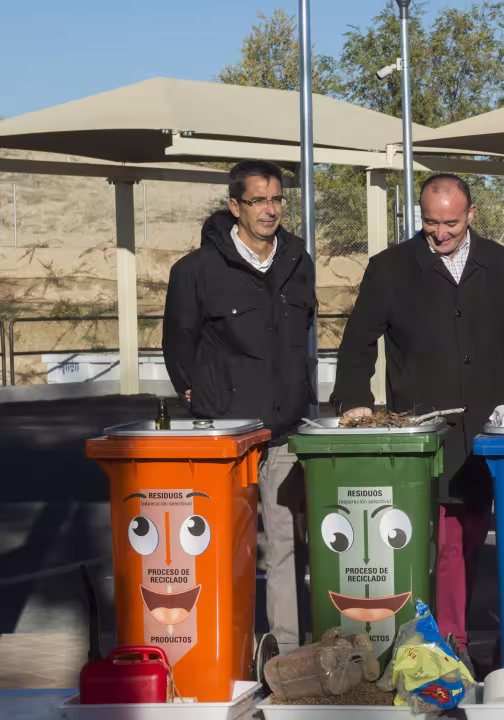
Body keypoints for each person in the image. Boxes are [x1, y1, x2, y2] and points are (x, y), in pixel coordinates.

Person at [333, 173, 504, 666]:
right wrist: (354, 399)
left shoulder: (502, 264)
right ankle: (450, 644)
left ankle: (487, 641)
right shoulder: (389, 268)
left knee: (480, 537)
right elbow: (358, 340)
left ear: (471, 215)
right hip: (426, 428)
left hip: (491, 427)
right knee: (444, 542)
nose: (440, 233)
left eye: (450, 222)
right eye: (430, 222)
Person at [162, 159, 315, 653]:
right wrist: (200, 398)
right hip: (223, 437)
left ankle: (287, 657)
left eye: (276, 199)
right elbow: (177, 346)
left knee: (289, 547)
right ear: (235, 206)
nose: (270, 210)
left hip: (286, 432)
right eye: (258, 200)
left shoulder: (298, 260)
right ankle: (225, 651)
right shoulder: (195, 271)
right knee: (226, 548)